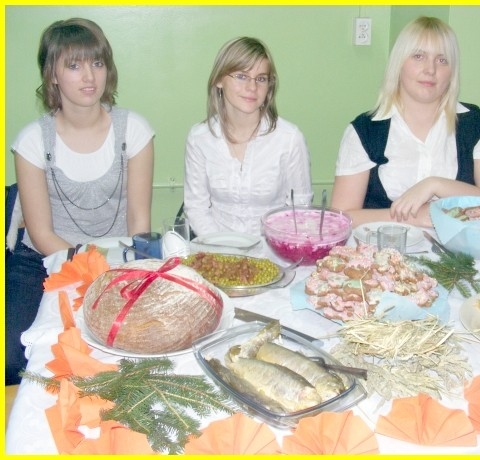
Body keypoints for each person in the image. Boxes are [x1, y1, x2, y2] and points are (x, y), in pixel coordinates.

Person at [5, 18, 155, 384]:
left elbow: (139, 222)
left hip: (117, 257)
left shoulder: (133, 130)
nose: (89, 76)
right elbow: (41, 234)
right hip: (42, 261)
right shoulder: (32, 140)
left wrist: (113, 271)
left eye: (97, 63)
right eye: (74, 65)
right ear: (52, 75)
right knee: (13, 356)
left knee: (128, 349)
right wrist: (88, 270)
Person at [330, 16, 480, 228]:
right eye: (418, 56)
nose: (430, 70)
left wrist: (435, 185)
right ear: (398, 64)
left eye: (442, 60)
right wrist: (415, 216)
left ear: (452, 72)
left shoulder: (474, 125)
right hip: (380, 246)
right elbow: (342, 218)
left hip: (458, 249)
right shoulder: (365, 131)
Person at [183, 36, 313, 237]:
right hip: (216, 249)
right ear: (219, 80)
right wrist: (223, 248)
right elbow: (196, 208)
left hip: (273, 250)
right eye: (242, 76)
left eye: (261, 79)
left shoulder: (289, 139)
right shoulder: (199, 138)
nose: (252, 87)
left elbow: (300, 211)